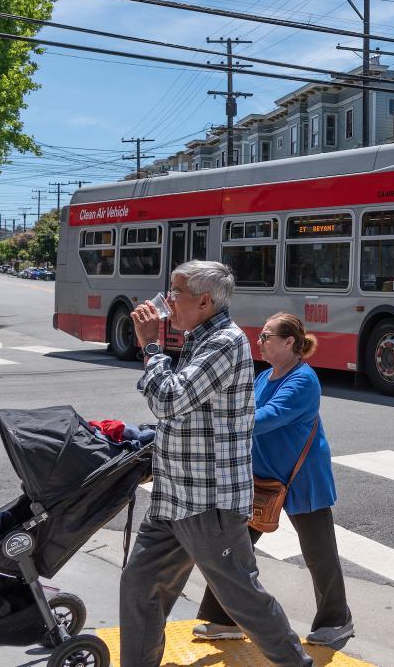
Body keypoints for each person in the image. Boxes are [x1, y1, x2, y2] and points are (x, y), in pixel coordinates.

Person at [121, 261, 312, 667]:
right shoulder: (198, 337)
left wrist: (151, 347)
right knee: (140, 587)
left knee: (243, 598)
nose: (167, 301)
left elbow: (169, 401)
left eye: (175, 293)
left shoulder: (225, 342)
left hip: (208, 501)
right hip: (175, 496)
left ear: (204, 300)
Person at [194, 312, 353, 648]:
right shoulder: (265, 376)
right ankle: (224, 618)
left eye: (266, 336)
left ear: (289, 342)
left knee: (318, 553)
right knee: (232, 551)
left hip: (302, 480)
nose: (259, 341)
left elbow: (266, 417)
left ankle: (337, 621)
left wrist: (224, 419)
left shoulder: (303, 381)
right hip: (262, 480)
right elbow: (243, 407)